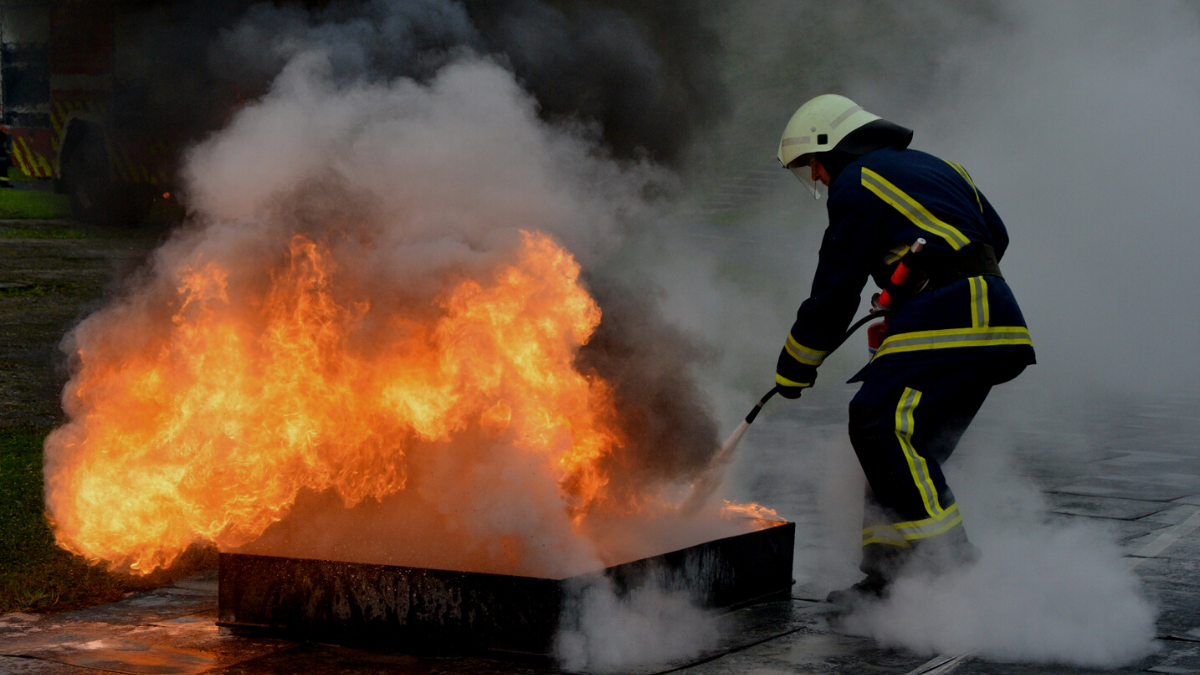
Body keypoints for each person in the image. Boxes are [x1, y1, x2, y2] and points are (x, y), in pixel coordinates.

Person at [773, 94, 1035, 606]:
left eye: (815, 167)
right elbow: (995, 237)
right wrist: (916, 278)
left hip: (953, 317)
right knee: (896, 453)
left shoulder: (858, 180)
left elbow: (835, 289)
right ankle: (891, 583)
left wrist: (795, 365)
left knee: (877, 422)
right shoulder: (944, 168)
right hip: (996, 317)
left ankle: (954, 571)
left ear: (835, 147)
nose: (820, 179)